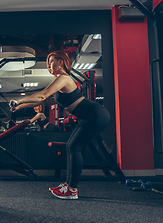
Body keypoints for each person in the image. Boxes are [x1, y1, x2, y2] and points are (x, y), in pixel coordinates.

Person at [10, 51, 110, 200]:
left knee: (73, 147)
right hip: (89, 116)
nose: (49, 66)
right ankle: (69, 185)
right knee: (71, 146)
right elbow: (40, 101)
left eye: (51, 62)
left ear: (61, 62)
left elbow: (42, 95)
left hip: (96, 114)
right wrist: (19, 107)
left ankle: (71, 189)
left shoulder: (63, 78)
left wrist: (19, 100)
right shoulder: (59, 80)